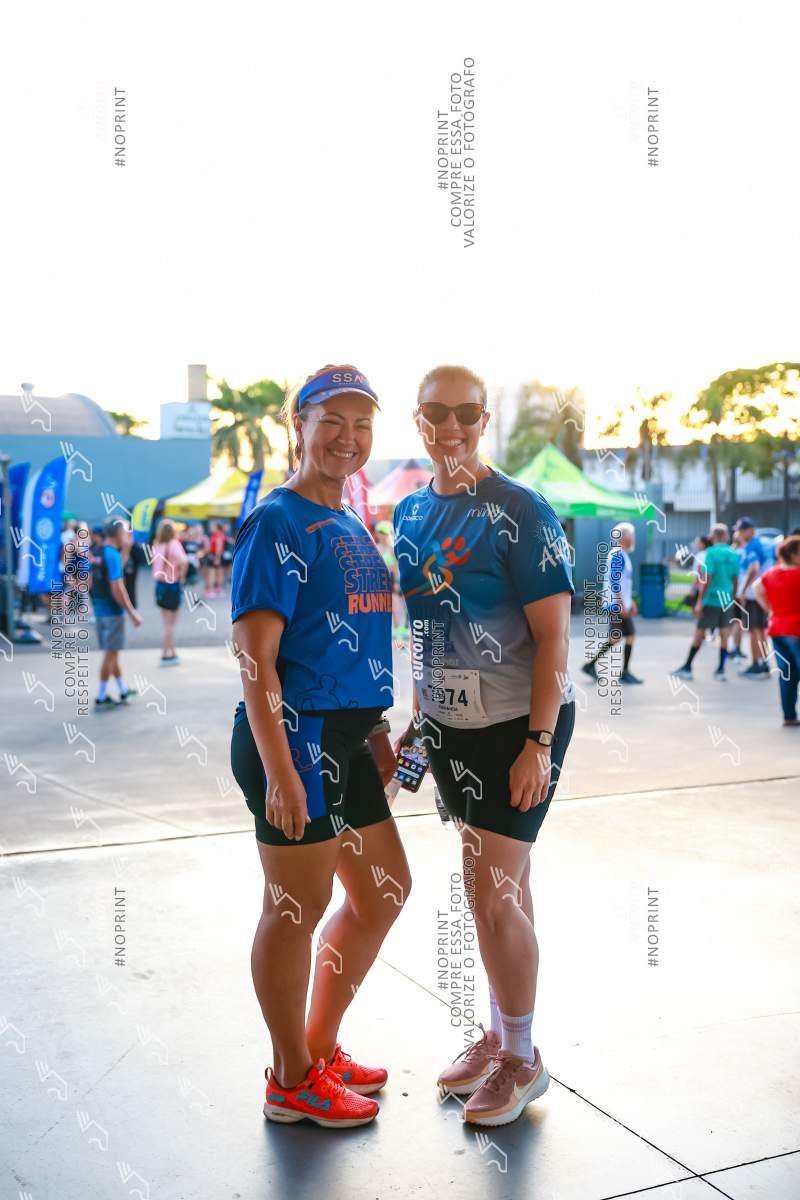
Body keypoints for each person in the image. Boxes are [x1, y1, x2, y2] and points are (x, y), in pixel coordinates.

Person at [229, 364, 411, 1129]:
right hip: (295, 739)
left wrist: (377, 734)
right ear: (298, 425)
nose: (348, 436)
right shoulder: (277, 520)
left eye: (361, 423)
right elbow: (254, 658)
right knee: (296, 907)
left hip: (348, 737)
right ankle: (290, 1079)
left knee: (383, 890)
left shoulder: (351, 523)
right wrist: (281, 770)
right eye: (331, 419)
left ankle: (319, 1046)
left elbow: (356, 646)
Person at [395, 364, 576, 1127]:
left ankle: (523, 1059)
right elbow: (423, 627)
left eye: (466, 413)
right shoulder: (409, 512)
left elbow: (555, 640)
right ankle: (503, 1035)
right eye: (436, 413)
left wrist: (538, 742)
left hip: (516, 728)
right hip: (448, 731)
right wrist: (417, 718)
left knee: (489, 893)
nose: (451, 427)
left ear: (484, 419)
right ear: (418, 420)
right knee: (502, 889)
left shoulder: (521, 509)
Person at [672, 523, 740, 679]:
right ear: (725, 536)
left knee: (699, 633)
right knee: (724, 633)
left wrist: (700, 600)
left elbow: (707, 577)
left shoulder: (711, 552)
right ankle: (721, 670)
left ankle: (687, 667)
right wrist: (734, 596)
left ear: (713, 536)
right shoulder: (733, 553)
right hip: (727, 599)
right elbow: (736, 577)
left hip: (712, 599)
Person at [89, 518, 142, 707]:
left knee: (112, 654)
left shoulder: (97, 552)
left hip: (100, 611)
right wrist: (132, 613)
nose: (128, 536)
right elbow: (117, 587)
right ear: (118, 534)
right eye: (126, 532)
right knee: (110, 654)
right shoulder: (112, 555)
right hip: (112, 612)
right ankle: (101, 695)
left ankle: (123, 690)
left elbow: (89, 581)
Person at [582, 522, 643, 684]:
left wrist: (630, 602)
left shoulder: (622, 555)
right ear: (625, 537)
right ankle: (617, 671)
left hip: (619, 604)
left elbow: (623, 583)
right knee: (622, 636)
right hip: (616, 605)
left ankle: (594, 666)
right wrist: (622, 604)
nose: (633, 539)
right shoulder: (617, 555)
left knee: (625, 636)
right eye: (632, 536)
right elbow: (614, 582)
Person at [753, 534, 800, 726]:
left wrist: (771, 609)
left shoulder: (771, 574)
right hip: (796, 629)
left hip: (777, 629)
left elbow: (757, 589)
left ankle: (789, 716)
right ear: (794, 554)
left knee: (787, 674)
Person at [735, 517, 769, 677]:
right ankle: (764, 663)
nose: (739, 534)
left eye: (741, 530)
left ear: (750, 531)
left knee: (755, 630)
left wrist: (743, 589)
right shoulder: (759, 543)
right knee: (760, 630)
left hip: (753, 595)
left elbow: (754, 568)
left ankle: (756, 664)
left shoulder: (751, 545)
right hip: (760, 594)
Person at [151, 519, 188, 665]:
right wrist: (182, 576)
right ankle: (165, 654)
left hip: (159, 585)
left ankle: (171, 651)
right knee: (170, 624)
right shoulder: (174, 544)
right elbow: (184, 561)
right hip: (172, 584)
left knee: (166, 622)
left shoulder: (157, 545)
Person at [205, 522, 226, 598]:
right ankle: (216, 590)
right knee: (216, 573)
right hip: (214, 555)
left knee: (216, 573)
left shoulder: (218, 535)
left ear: (217, 527)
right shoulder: (215, 535)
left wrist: (217, 558)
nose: (211, 528)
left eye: (212, 526)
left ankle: (215, 590)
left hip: (216, 555)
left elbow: (219, 547)